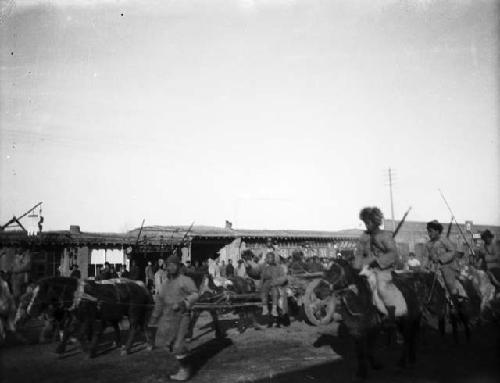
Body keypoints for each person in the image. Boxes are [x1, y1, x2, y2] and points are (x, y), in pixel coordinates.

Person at [149, 254, 199, 381]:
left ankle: (185, 370)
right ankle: (177, 366)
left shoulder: (185, 280)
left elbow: (195, 294)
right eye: (168, 265)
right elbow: (159, 301)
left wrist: (183, 303)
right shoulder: (165, 284)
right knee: (167, 343)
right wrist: (154, 317)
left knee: (178, 345)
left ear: (178, 266)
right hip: (168, 318)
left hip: (183, 316)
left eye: (173, 265)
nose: (170, 268)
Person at [355, 206, 407, 322]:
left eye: (368, 222)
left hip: (385, 269)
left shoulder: (385, 235)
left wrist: (378, 262)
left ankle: (392, 317)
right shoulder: (365, 236)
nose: (366, 225)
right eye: (365, 222)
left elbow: (393, 253)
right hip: (370, 268)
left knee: (382, 288)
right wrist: (357, 265)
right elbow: (360, 253)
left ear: (375, 222)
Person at [424, 220, 460, 300]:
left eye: (431, 231)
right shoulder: (428, 244)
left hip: (447, 267)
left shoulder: (444, 240)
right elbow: (426, 257)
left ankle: (456, 302)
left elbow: (452, 251)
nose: (429, 234)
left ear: (437, 231)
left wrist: (441, 259)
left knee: (450, 284)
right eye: (428, 232)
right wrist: (425, 266)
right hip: (434, 268)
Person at [260, 252, 287, 323]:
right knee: (263, 292)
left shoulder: (279, 267)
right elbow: (261, 276)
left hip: (275, 283)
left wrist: (276, 282)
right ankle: (265, 308)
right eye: (267, 258)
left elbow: (283, 277)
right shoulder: (265, 267)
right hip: (266, 283)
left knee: (275, 292)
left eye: (270, 258)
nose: (269, 259)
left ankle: (274, 309)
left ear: (274, 259)